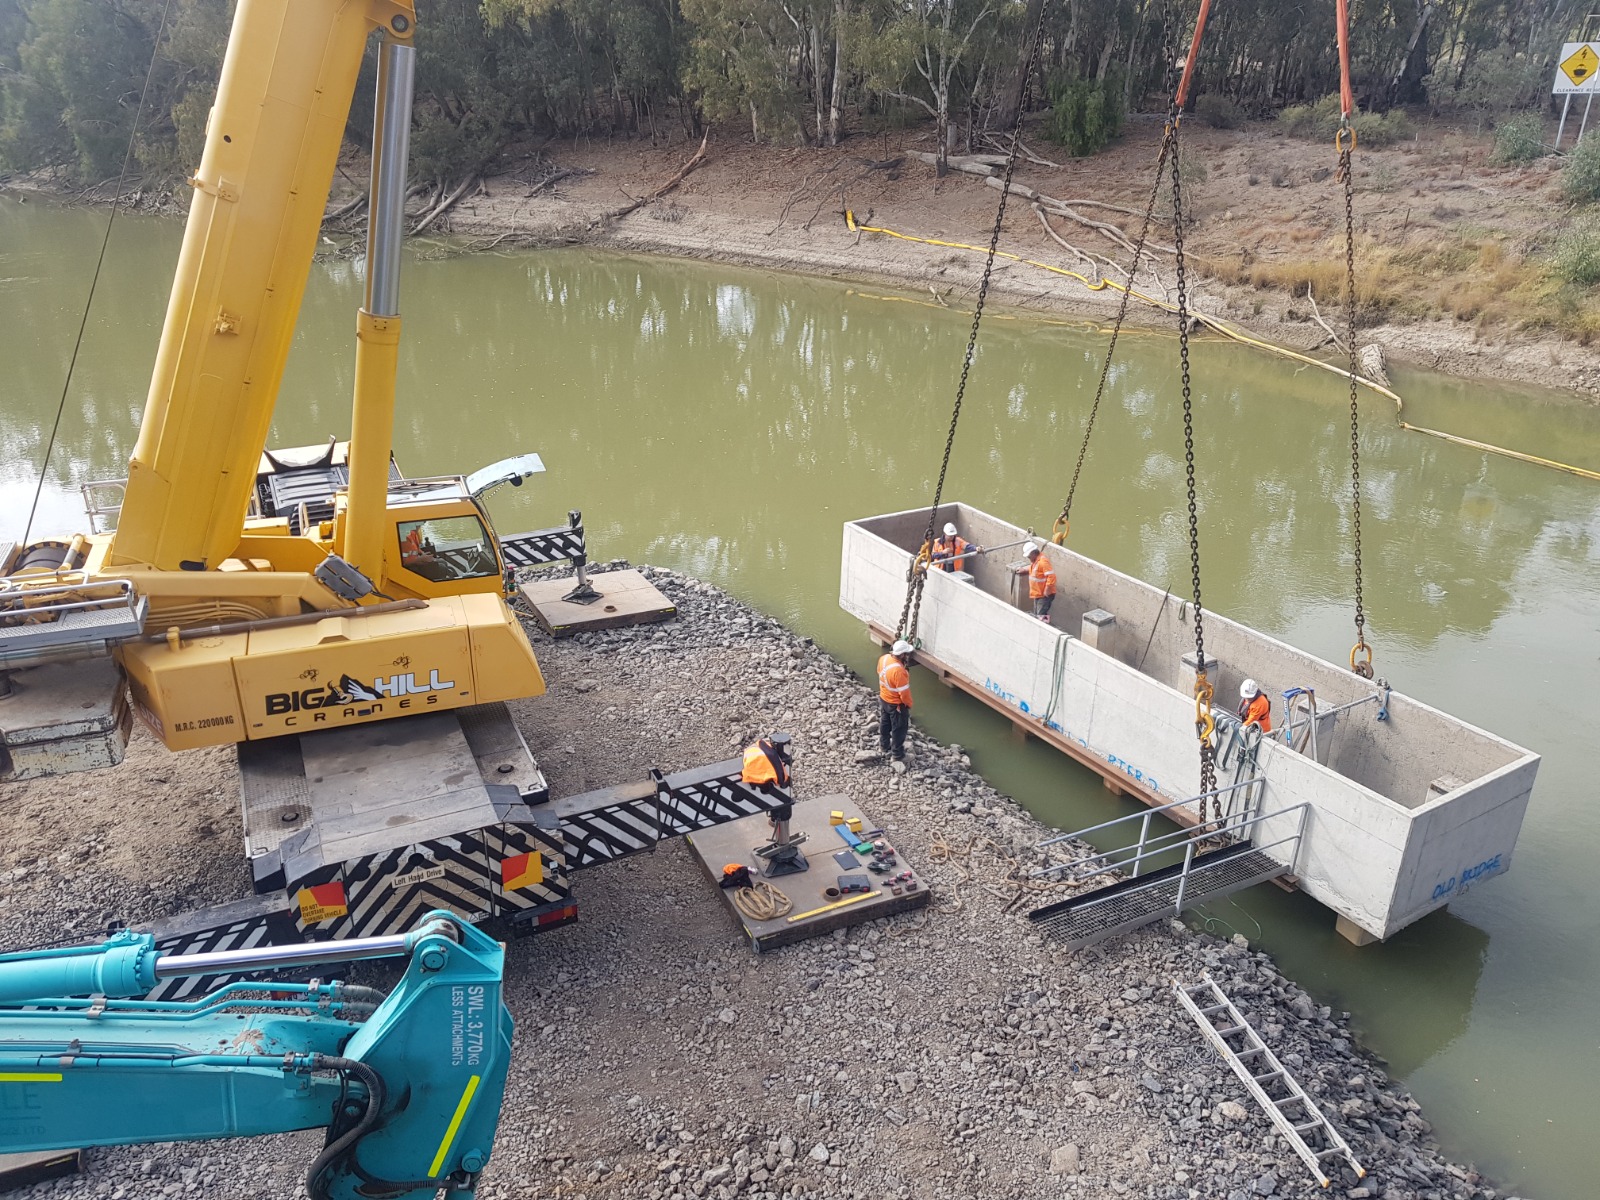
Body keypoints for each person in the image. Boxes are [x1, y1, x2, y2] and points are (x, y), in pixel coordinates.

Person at [877, 639, 913, 760]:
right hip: (896, 704)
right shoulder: (899, 671)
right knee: (899, 728)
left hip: (884, 698)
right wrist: (908, 705)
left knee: (885, 722)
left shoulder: (884, 658)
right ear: (902, 655)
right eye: (906, 654)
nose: (907, 656)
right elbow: (904, 693)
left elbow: (879, 672)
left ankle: (884, 745)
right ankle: (897, 754)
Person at [1025, 542, 1057, 623]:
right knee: (1038, 614)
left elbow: (1051, 576)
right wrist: (1024, 569)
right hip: (1038, 593)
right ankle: (1045, 624)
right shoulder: (1036, 561)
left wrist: (1047, 589)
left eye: (1029, 556)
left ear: (1033, 553)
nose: (1029, 558)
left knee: (1040, 615)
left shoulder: (1043, 562)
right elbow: (1036, 570)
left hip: (1044, 594)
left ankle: (1045, 628)